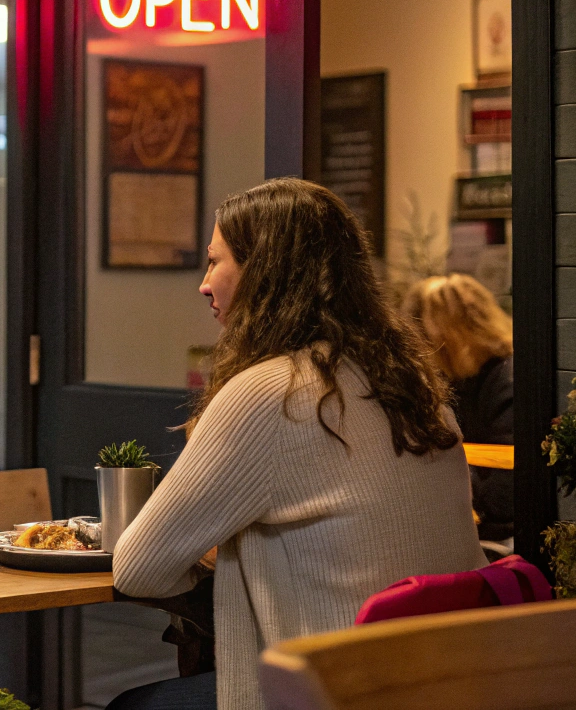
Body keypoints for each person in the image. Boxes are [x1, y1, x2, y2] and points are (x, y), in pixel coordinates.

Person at [108, 178, 485, 710]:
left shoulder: (269, 392)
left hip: (330, 691)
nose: (203, 283)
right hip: (444, 685)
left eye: (217, 262)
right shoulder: (413, 385)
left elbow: (139, 568)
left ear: (265, 272)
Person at [401, 273, 514, 542]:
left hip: (498, 537)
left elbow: (507, 488)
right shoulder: (461, 379)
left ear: (443, 338)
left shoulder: (506, 380)